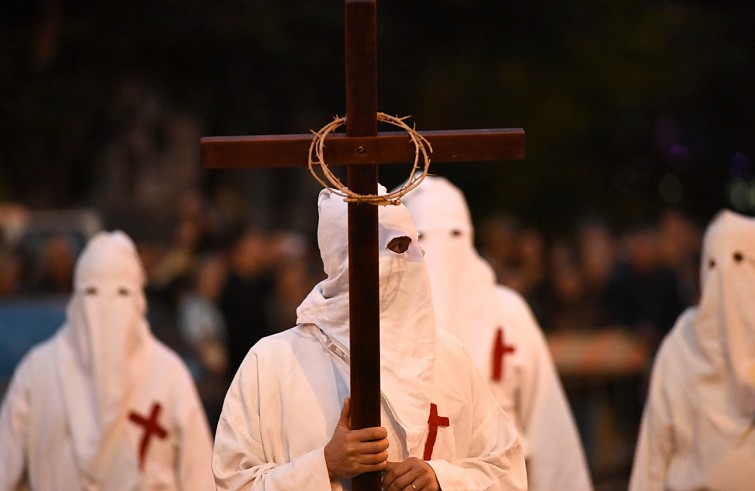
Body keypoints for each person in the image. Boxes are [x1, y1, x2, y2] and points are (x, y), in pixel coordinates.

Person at [212, 187, 527, 491]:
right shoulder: (271, 361)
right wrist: (323, 467)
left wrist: (440, 479)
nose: (411, 259)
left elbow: (506, 470)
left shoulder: (449, 356)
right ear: (342, 258)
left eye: (411, 245)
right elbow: (233, 482)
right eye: (395, 248)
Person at [401, 175, 593, 491]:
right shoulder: (388, 321)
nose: (441, 253)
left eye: (453, 235)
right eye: (424, 237)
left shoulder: (509, 312)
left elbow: (546, 421)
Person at [0, 230, 214, 490]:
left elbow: (198, 475)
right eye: (93, 291)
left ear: (137, 299)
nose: (105, 308)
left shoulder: (167, 374)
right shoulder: (37, 373)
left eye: (120, 292)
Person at [628, 209, 755, 490]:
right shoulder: (682, 343)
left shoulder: (679, 342)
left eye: (740, 261)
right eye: (714, 264)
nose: (726, 275)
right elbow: (654, 449)